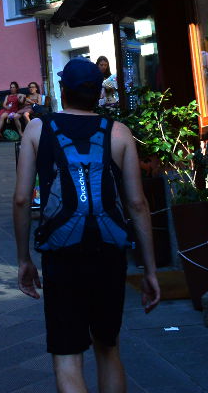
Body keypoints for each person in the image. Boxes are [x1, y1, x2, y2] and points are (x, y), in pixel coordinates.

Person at [12, 58, 161, 393]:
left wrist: (24, 259)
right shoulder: (119, 131)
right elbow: (137, 204)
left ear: (63, 91)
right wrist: (150, 268)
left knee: (67, 353)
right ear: (97, 93)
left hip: (62, 252)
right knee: (108, 347)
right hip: (109, 250)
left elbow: (22, 199)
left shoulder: (38, 128)